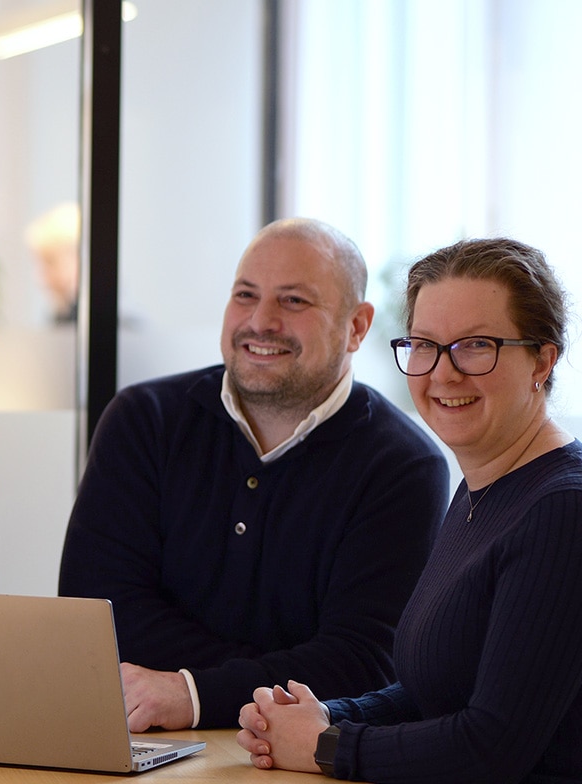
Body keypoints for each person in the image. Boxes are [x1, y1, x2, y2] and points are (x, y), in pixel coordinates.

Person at [58, 217, 451, 731]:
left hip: (296, 760)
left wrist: (195, 692)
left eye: (294, 301)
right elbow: (95, 617)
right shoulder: (143, 420)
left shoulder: (403, 465)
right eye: (245, 295)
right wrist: (277, 670)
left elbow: (365, 662)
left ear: (357, 326)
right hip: (142, 735)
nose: (261, 321)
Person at [237, 238, 582, 782]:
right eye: (424, 345)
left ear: (542, 359)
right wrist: (325, 716)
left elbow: (493, 747)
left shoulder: (563, 510)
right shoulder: (481, 490)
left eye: (476, 345)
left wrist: (328, 747)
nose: (443, 373)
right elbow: (437, 691)